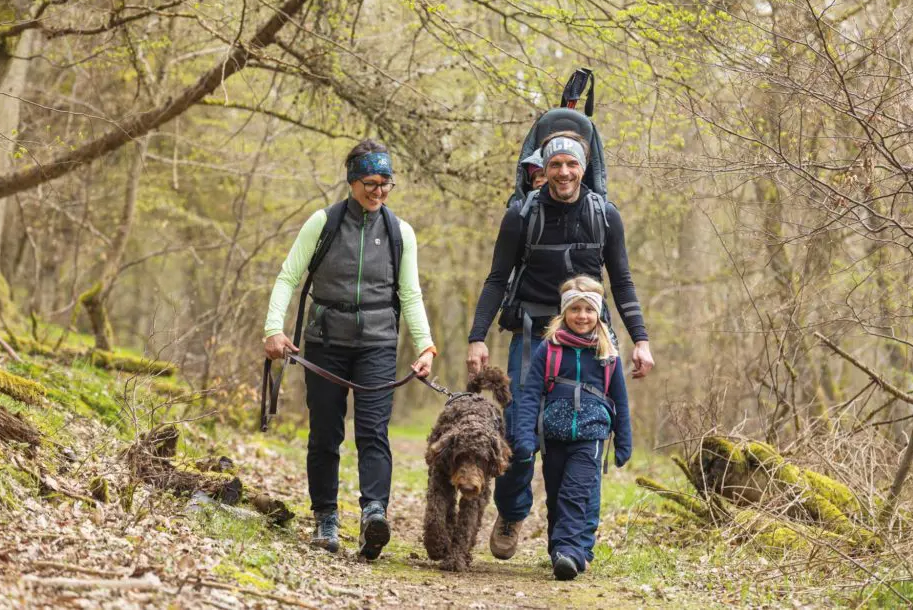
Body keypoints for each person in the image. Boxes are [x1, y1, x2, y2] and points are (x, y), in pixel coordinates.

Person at [467, 130, 653, 562]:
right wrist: (477, 337)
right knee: (520, 427)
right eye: (555, 165)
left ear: (584, 169)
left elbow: (622, 281)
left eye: (572, 164)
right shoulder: (521, 215)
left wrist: (640, 339)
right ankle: (512, 512)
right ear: (543, 168)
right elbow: (497, 278)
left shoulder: (605, 215)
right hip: (532, 335)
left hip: (589, 337)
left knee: (587, 430)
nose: (564, 172)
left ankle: (573, 541)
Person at [264, 138, 437, 560]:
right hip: (324, 342)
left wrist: (426, 345)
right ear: (353, 181)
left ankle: (374, 513)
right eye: (370, 182)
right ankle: (325, 517)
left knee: (374, 432)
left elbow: (410, 294)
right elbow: (288, 277)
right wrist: (274, 329)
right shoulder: (322, 223)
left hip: (378, 344)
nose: (378, 191)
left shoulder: (401, 233)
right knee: (325, 433)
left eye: (386, 183)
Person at [511, 276, 631, 580]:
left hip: (591, 435)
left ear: (599, 313)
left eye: (589, 310)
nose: (582, 316)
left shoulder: (608, 354)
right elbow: (530, 395)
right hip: (554, 436)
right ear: (564, 313)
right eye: (575, 309)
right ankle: (564, 551)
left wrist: (624, 441)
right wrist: (524, 436)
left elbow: (620, 400)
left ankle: (570, 550)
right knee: (556, 496)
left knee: (575, 494)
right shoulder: (549, 350)